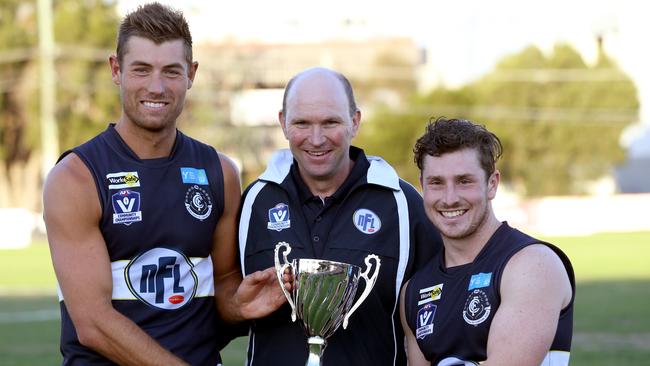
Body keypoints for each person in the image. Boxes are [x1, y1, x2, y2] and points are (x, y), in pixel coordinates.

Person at [42, 3, 285, 365]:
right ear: (116, 70)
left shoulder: (220, 172)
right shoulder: (76, 177)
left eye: (171, 71)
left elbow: (224, 288)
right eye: (141, 70)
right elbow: (93, 323)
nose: (156, 87)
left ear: (191, 74)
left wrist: (241, 305)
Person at [237, 67, 443, 365]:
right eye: (302, 123)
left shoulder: (402, 204)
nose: (316, 139)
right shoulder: (255, 201)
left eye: (330, 122)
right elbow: (225, 306)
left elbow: (436, 316)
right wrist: (238, 308)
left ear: (355, 121)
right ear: (283, 123)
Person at [400, 117, 575, 366]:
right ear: (423, 187)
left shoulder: (532, 265)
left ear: (492, 184)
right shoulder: (415, 290)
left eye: (464, 181)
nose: (449, 199)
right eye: (436, 183)